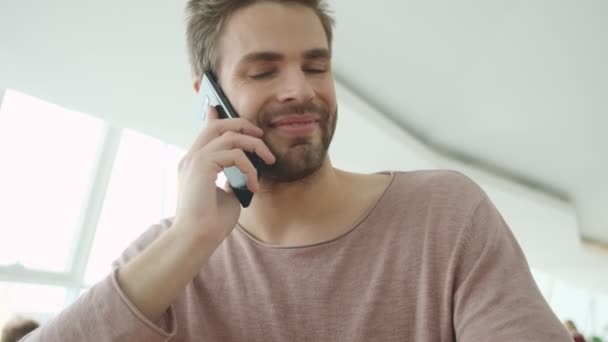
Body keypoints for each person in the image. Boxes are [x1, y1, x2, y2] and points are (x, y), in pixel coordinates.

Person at [23, 0, 572, 340]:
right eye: (263, 71)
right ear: (208, 99)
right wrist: (191, 237)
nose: (300, 90)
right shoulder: (168, 259)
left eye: (316, 66)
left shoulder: (447, 214)